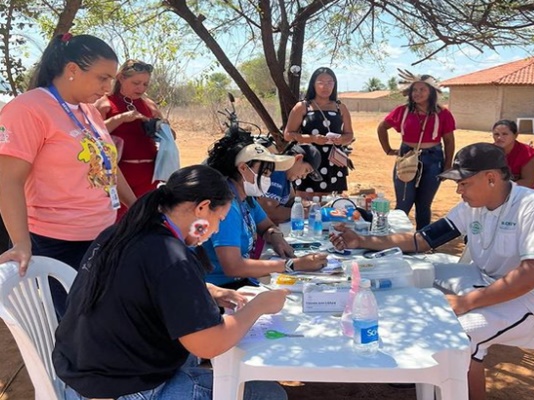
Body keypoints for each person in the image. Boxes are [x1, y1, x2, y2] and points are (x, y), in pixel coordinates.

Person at [330, 143, 534, 400]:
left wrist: (466, 302)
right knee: (416, 269)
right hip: (485, 279)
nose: (458, 190)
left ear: (491, 178)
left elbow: (533, 273)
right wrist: (362, 241)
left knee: (459, 335)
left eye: (463, 183)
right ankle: (426, 373)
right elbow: (422, 241)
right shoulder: (473, 206)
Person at [52, 165, 288, 400]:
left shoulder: (122, 232)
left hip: (82, 376)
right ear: (203, 208)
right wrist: (259, 306)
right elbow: (208, 344)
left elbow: (135, 286)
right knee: (269, 394)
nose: (215, 230)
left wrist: (205, 291)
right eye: (219, 219)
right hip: (127, 389)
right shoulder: (172, 257)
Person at [0, 33, 135, 313]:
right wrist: (22, 242)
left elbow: (107, 165)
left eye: (111, 79)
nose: (108, 88)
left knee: (106, 320)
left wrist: (137, 207)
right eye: (102, 78)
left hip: (101, 236)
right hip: (56, 244)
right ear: (72, 69)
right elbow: (7, 179)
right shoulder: (28, 109)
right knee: (75, 328)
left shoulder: (90, 111)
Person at [203, 135, 328, 289]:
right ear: (243, 168)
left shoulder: (246, 199)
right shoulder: (226, 207)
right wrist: (293, 264)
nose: (267, 178)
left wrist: (275, 236)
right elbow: (233, 267)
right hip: (221, 289)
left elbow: (267, 226)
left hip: (239, 283)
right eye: (266, 173)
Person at [377, 73, 455, 230]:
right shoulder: (402, 111)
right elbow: (382, 127)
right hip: (407, 156)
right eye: (414, 90)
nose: (417, 93)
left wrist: (447, 165)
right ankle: (395, 239)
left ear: (431, 92)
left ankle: (422, 241)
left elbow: (449, 141)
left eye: (422, 89)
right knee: (404, 202)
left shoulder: (443, 113)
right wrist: (388, 149)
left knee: (423, 205)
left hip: (433, 159)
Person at [95, 59, 169, 220]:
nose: (140, 88)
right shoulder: (105, 103)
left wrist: (161, 127)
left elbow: (170, 135)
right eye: (136, 83)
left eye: (145, 84)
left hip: (148, 173)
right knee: (115, 221)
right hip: (117, 173)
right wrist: (121, 118)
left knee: (143, 220)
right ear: (121, 78)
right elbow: (93, 135)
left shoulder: (149, 105)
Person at [283, 67, 354, 199]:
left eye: (330, 82)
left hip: (333, 161)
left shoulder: (340, 107)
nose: (325, 86)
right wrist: (312, 139)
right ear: (313, 84)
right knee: (306, 201)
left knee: (331, 203)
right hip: (308, 161)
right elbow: (287, 134)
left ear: (335, 84)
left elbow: (349, 135)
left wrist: (341, 140)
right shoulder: (303, 107)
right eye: (321, 82)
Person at [258, 143, 323, 224]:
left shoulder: (286, 175)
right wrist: (305, 212)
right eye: (306, 170)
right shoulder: (277, 172)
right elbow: (271, 213)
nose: (304, 177)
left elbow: (292, 201)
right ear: (298, 158)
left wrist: (313, 206)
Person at [492, 119, 534, 190]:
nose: (499, 138)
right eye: (496, 134)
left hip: (522, 192)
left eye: (505, 134)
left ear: (515, 135)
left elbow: (528, 182)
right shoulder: (489, 151)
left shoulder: (527, 153)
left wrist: (501, 189)